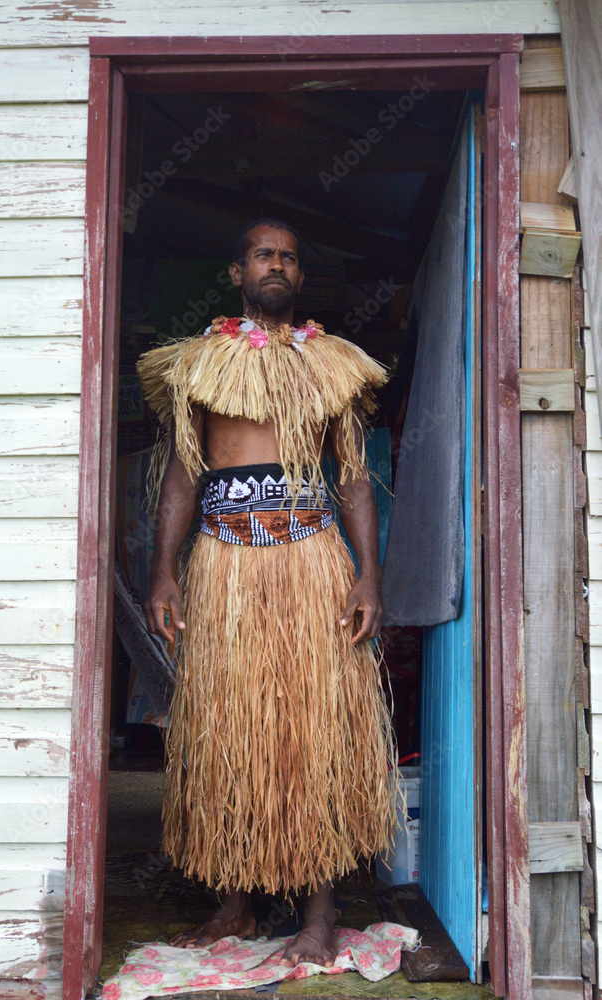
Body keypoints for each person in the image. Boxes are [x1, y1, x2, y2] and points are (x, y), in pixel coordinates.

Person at [138, 219, 397, 969]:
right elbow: (183, 476)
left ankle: (320, 911)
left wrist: (367, 574)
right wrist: (163, 569)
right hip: (223, 566)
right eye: (262, 254)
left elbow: (351, 477)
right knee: (225, 733)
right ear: (236, 271)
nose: (275, 265)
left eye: (287, 256)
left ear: (300, 276)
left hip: (311, 562)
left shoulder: (332, 365)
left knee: (313, 734)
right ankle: (234, 903)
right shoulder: (199, 364)